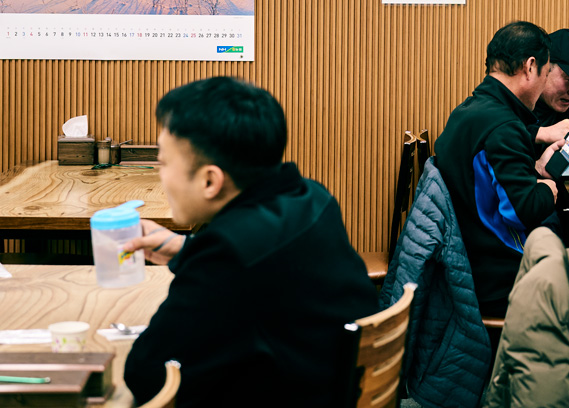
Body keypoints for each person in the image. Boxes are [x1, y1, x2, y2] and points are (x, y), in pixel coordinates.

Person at [120, 76, 377, 408]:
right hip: (329, 384)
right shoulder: (311, 197)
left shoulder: (228, 254)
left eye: (164, 162)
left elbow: (147, 374)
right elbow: (262, 272)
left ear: (210, 180)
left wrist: (203, 258)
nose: (160, 173)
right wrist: (186, 250)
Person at [435, 21, 567, 316]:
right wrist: (548, 188)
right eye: (547, 74)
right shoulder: (504, 127)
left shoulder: (469, 111)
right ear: (530, 68)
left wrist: (533, 165)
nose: (545, 83)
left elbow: (489, 180)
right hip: (497, 279)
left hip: (464, 261)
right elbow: (522, 211)